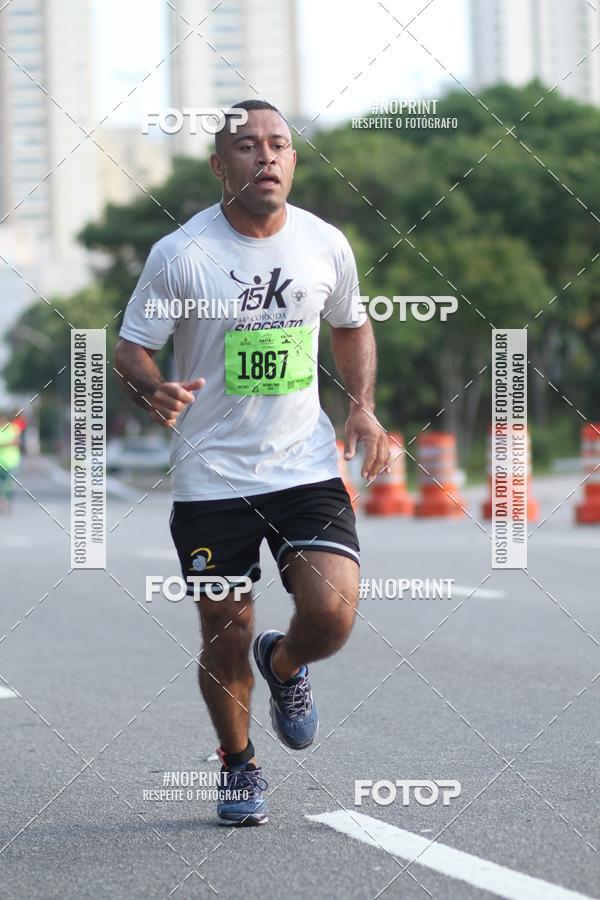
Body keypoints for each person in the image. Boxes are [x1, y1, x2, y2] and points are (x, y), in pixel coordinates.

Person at [115, 99, 389, 825]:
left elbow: (352, 327)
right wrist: (151, 386)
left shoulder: (324, 243)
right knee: (225, 631)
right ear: (219, 164)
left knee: (331, 614)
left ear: (294, 161)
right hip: (212, 479)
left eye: (279, 145)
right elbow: (131, 344)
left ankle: (287, 662)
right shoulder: (181, 254)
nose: (266, 156)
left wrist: (360, 406)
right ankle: (238, 767)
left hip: (303, 466)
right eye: (247, 146)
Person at [0, 414, 22, 513]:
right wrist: (8, 443)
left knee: (10, 484)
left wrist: (4, 444)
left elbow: (17, 442)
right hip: (1, 462)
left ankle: (9, 503)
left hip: (12, 462)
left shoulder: (13, 428)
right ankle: (3, 503)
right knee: (2, 484)